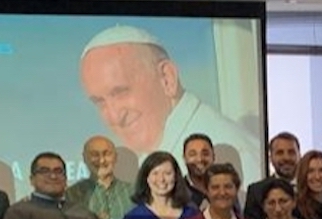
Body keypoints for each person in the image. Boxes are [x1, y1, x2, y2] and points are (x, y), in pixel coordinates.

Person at [78, 25, 260, 178]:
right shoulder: (145, 156)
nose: (114, 117)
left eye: (120, 92)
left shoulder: (230, 153)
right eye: (99, 102)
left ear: (167, 78)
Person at [244, 132, 300, 219]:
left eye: (291, 152)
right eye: (280, 153)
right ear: (270, 158)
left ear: (299, 155)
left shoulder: (310, 187)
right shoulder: (256, 191)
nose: (286, 158)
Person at [182, 132, 215, 208]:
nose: (199, 159)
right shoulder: (177, 192)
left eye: (205, 154)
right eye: (192, 154)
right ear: (184, 158)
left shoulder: (225, 189)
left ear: (213, 157)